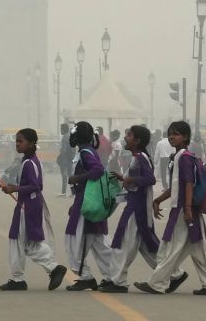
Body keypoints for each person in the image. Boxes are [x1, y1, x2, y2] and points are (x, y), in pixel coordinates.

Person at [135, 120, 206, 296]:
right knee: (197, 250)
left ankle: (157, 283)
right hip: (185, 209)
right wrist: (158, 200)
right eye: (170, 133)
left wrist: (188, 208)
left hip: (184, 210)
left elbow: (189, 184)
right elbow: (177, 186)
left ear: (185, 137)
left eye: (175, 134)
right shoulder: (180, 157)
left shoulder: (183, 158)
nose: (171, 137)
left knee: (170, 249)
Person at [104, 125, 182, 293]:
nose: (125, 137)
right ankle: (174, 274)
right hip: (136, 205)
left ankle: (118, 281)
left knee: (122, 242)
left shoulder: (140, 157)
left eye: (129, 135)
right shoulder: (138, 157)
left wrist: (130, 179)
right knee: (147, 246)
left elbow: (150, 179)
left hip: (137, 208)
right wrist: (124, 178)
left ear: (137, 141)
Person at [0, 128, 65, 291]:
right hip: (30, 204)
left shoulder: (28, 163)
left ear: (32, 143)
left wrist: (15, 189)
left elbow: (36, 186)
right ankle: (51, 268)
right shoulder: (30, 160)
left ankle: (20, 278)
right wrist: (7, 186)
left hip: (27, 206)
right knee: (29, 243)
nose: (17, 144)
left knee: (17, 240)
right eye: (16, 141)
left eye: (21, 141)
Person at [64, 121, 112, 291]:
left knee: (75, 240)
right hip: (85, 200)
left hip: (87, 202)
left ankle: (86, 276)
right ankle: (113, 276)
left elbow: (97, 170)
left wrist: (77, 178)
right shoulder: (87, 151)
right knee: (99, 242)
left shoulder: (85, 152)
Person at [56, 124, 74, 197]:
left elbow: (63, 150)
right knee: (71, 176)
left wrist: (59, 157)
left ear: (63, 129)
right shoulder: (71, 136)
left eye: (61, 129)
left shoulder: (64, 138)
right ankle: (73, 193)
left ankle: (63, 193)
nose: (60, 130)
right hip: (71, 159)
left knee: (64, 176)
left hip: (65, 159)